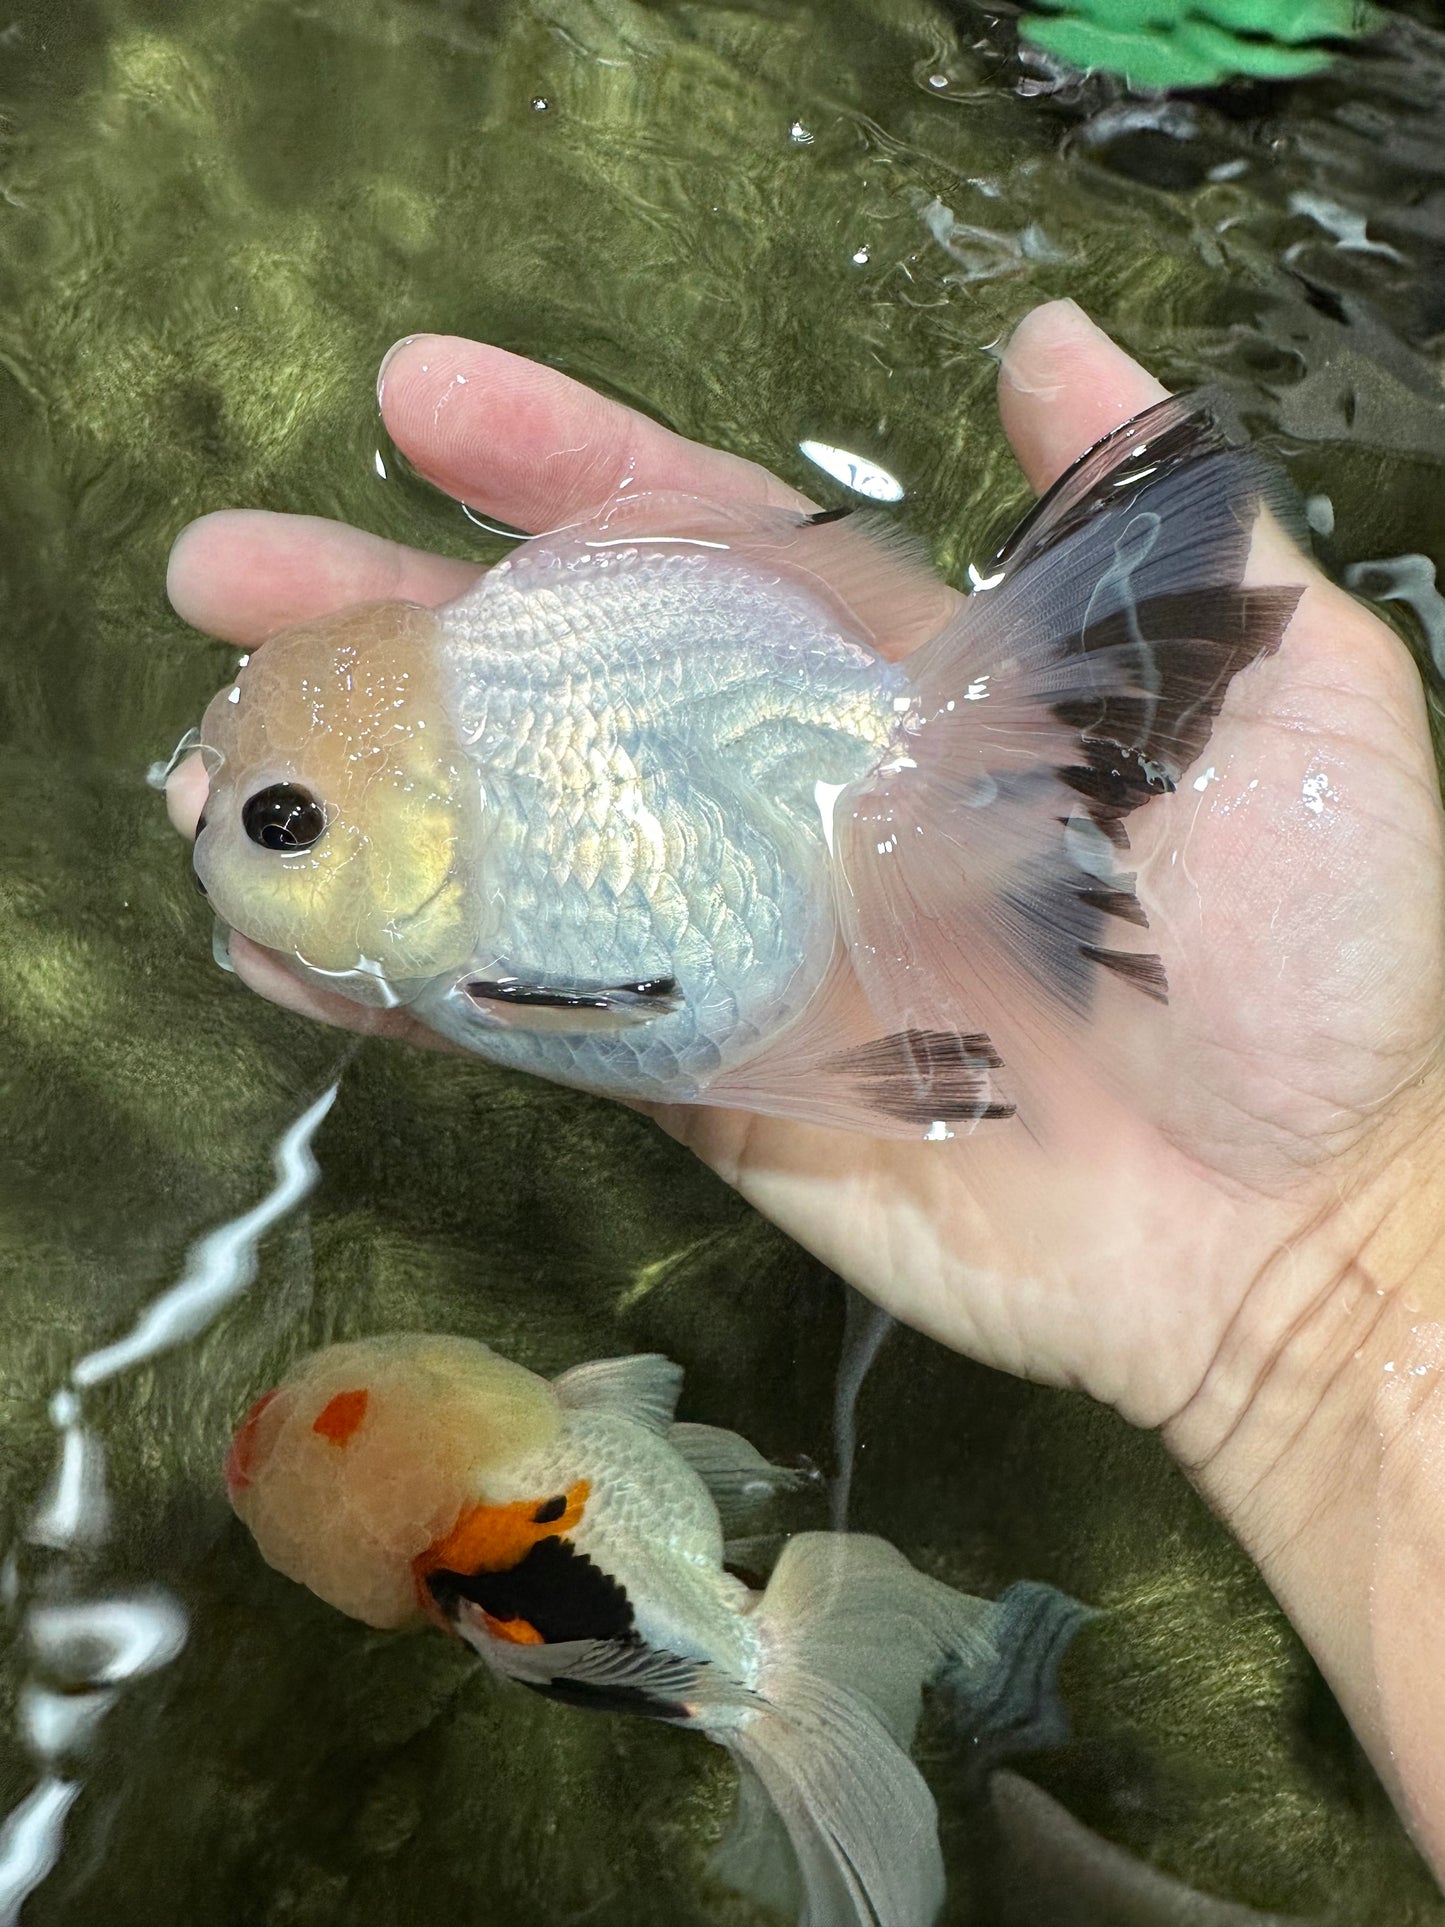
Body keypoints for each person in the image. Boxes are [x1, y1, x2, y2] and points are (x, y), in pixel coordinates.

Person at [165, 299, 1445, 1876]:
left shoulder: (486, 930)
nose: (227, 829)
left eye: (283, 821)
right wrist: (1351, 1244)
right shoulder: (474, 866)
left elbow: (641, 999)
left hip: (768, 765)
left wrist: (1356, 1226)